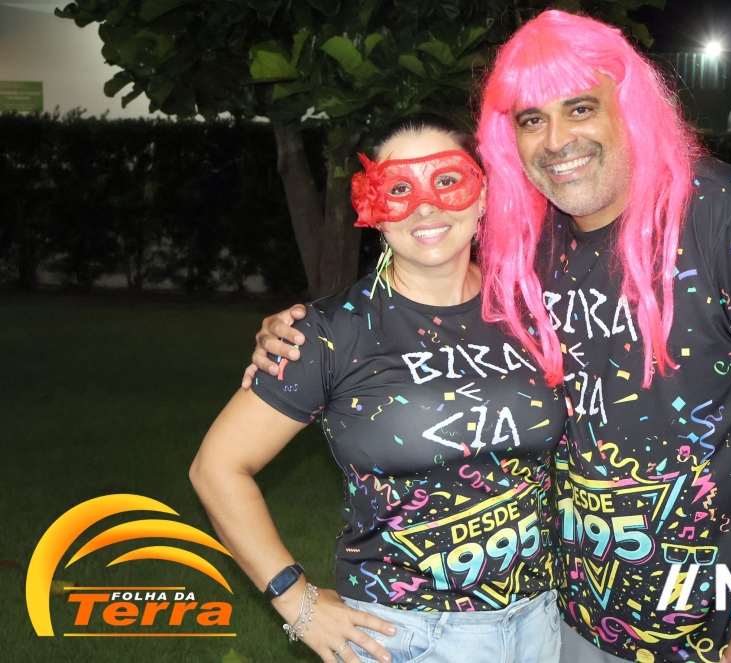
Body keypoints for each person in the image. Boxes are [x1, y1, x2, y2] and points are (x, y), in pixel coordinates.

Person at [247, 10, 731, 663]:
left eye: (580, 108)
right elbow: (422, 271)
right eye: (531, 119)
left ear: (628, 107)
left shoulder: (730, 216)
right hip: (569, 623)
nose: (557, 139)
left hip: (723, 629)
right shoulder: (525, 242)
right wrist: (300, 336)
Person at [192, 114, 567, 663]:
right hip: (404, 637)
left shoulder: (533, 307)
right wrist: (297, 602)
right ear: (372, 208)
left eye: (447, 180)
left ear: (484, 193)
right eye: (398, 189)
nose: (425, 206)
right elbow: (217, 468)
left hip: (542, 624)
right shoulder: (329, 332)